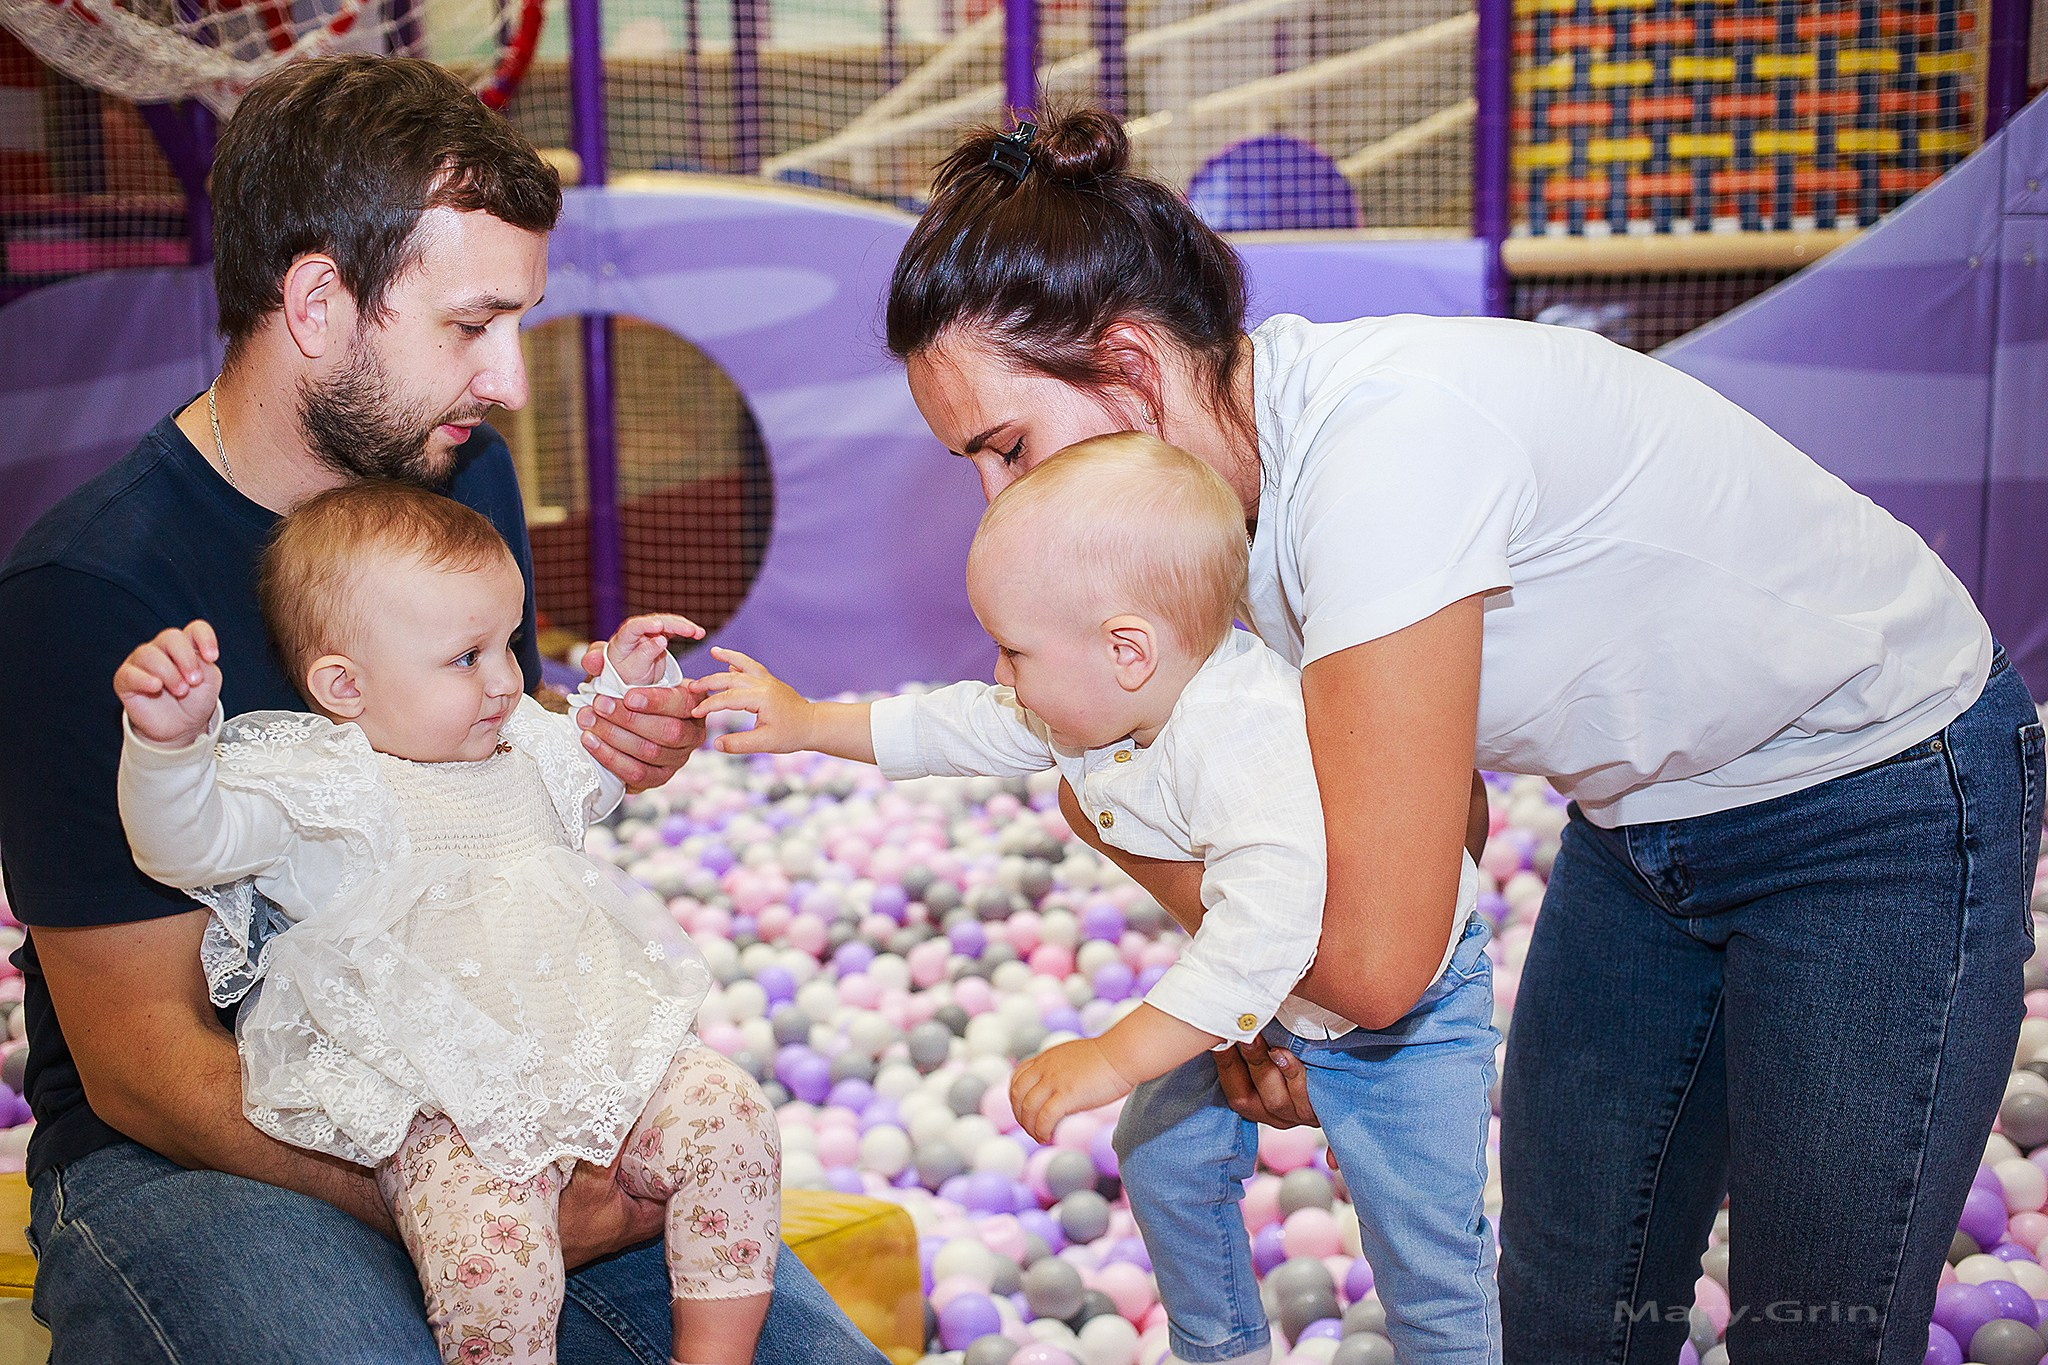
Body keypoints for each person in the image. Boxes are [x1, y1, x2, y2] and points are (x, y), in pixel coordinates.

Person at [879, 107, 2046, 1364]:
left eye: (1006, 449)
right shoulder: (1193, 535)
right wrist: (1261, 1005)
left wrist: (1102, 816)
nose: (1001, 503)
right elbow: (1439, 825)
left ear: (1129, 368)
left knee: (1811, 1325)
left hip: (1878, 794)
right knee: (1561, 1312)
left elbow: (1378, 960)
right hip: (1641, 828)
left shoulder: (1377, 455)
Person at [0, 55, 885, 1365]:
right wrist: (468, 1195)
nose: (510, 382)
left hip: (492, 1086)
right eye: (471, 325)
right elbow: (140, 1064)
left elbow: (488, 797)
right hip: (205, 1145)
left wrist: (599, 755)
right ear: (317, 301)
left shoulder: (458, 481)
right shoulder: (91, 589)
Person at [694, 432, 1498, 1365]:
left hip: (1412, 1017)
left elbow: (1266, 930)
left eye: (1013, 650)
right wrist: (808, 723)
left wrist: (1116, 1054)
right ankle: (1221, 1346)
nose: (1002, 674)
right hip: (1269, 996)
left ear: (1126, 649)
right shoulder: (1113, 703)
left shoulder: (1245, 739)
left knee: (1426, 1260)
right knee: (1163, 1152)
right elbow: (965, 721)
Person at [115, 482, 778, 1365]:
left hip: (592, 1055)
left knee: (734, 1118)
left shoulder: (524, 746)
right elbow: (187, 846)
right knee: (494, 1268)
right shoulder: (326, 790)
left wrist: (628, 685)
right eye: (467, 656)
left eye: (508, 641)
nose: (507, 677)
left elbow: (599, 760)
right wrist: (167, 749)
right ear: (344, 685)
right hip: (439, 1100)